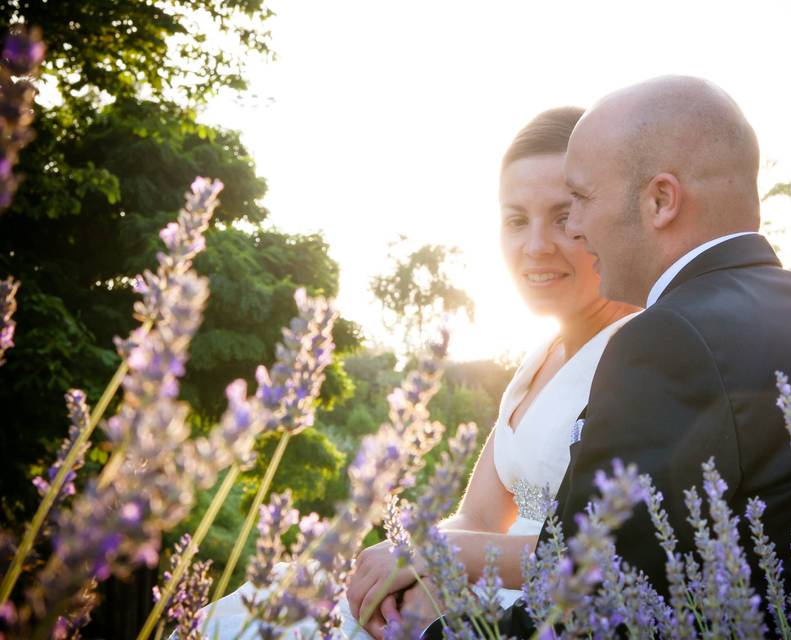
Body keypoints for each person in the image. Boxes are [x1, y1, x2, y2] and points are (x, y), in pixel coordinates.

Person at [429, 75, 791, 638]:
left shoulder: (668, 339)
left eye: (580, 200)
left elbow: (586, 587)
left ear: (660, 200)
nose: (575, 227)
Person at [196, 107, 639, 639]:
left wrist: (439, 555)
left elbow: (610, 557)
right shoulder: (539, 356)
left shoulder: (639, 355)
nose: (536, 244)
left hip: (533, 617)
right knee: (262, 603)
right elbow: (476, 518)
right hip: (464, 585)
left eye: (564, 216)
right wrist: (399, 561)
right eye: (516, 219)